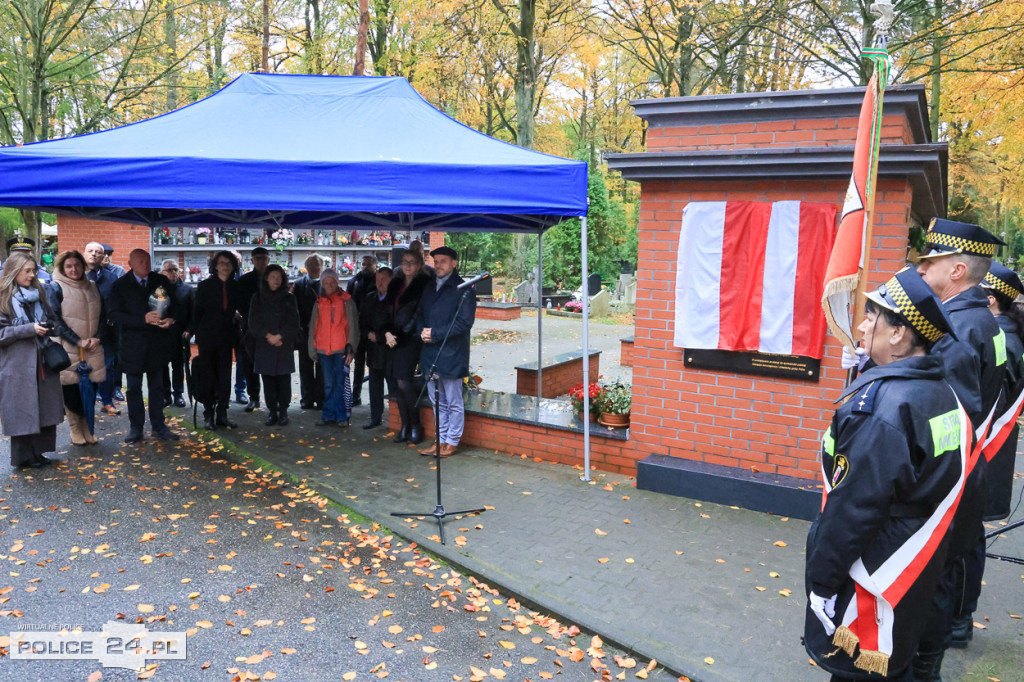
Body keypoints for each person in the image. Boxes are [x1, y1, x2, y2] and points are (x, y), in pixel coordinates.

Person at [805, 267, 967, 682]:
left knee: (861, 671)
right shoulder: (940, 391)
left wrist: (822, 582)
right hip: (914, 557)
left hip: (874, 569)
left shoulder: (883, 410)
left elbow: (854, 509)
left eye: (871, 316)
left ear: (897, 334)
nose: (861, 325)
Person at [911, 218, 1007, 678]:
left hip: (946, 472)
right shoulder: (982, 320)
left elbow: (941, 413)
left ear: (957, 270)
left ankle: (924, 664)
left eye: (930, 262)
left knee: (933, 577)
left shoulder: (956, 327)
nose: (921, 269)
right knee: (948, 568)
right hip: (970, 463)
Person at [108, 249, 183, 443]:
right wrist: (143, 319)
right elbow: (115, 315)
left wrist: (171, 319)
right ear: (130, 264)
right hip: (132, 345)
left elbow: (176, 305)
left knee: (157, 387)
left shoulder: (161, 281)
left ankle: (159, 426)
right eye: (140, 262)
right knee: (134, 388)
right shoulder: (120, 285)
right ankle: (136, 427)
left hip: (157, 344)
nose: (145, 265)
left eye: (147, 261)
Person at [0, 252, 65, 468]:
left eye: (33, 270)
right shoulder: (3, 298)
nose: (32, 275)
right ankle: (23, 457)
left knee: (44, 409)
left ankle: (38, 453)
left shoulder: (39, 294)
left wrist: (51, 326)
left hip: (43, 361)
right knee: (22, 410)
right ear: (13, 272)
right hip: (17, 365)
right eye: (27, 271)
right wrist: (29, 329)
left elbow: (53, 318)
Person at [416, 246, 475, 457]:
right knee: (437, 402)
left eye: (443, 261)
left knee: (453, 401)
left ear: (454, 263)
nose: (438, 265)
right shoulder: (429, 287)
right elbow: (419, 313)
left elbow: (464, 323)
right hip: (430, 353)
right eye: (436, 261)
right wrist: (422, 331)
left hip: (452, 354)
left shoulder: (464, 289)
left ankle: (452, 441)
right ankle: (439, 440)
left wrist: (435, 334)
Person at [979, 262, 1024, 522]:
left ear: (990, 300)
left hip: (987, 447)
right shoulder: (1010, 333)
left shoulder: (1002, 340)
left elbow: (991, 404)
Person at [47, 250, 105, 446]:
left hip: (92, 349)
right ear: (62, 268)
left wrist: (98, 337)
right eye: (69, 266)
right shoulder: (55, 287)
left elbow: (103, 316)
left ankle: (88, 426)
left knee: (90, 389)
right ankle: (75, 429)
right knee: (71, 391)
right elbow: (55, 320)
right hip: (68, 348)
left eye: (77, 265)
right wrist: (77, 341)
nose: (74, 269)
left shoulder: (93, 286)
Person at [191, 251, 244, 431]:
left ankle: (222, 414)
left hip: (227, 336)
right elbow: (197, 312)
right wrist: (190, 331)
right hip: (207, 336)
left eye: (229, 263)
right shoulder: (205, 286)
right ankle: (208, 414)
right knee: (208, 375)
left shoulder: (236, 287)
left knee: (224, 376)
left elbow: (242, 308)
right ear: (215, 266)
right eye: (221, 263)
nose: (225, 266)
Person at [383, 249, 431, 444]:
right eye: (405, 262)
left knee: (404, 382)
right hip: (392, 339)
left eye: (412, 262)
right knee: (397, 384)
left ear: (419, 264)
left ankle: (415, 426)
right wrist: (387, 332)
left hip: (410, 339)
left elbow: (419, 314)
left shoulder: (424, 284)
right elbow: (387, 311)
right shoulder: (396, 283)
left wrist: (400, 335)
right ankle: (405, 426)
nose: (408, 265)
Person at [248, 264, 300, 426]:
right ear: (266, 279)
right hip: (265, 344)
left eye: (279, 277)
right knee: (268, 381)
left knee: (284, 380)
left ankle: (283, 411)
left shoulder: (289, 298)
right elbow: (253, 322)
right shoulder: (257, 298)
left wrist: (280, 336)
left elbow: (294, 322)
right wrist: (268, 336)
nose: (276, 280)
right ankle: (272, 412)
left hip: (283, 344)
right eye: (272, 277)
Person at [308, 269, 359, 426]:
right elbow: (313, 326)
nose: (329, 285)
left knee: (340, 384)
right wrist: (312, 349)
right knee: (329, 384)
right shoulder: (318, 302)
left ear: (337, 282)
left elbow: (353, 325)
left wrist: (351, 347)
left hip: (341, 349)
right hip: (324, 349)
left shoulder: (346, 301)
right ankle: (329, 415)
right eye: (326, 282)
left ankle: (342, 417)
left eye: (332, 282)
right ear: (322, 284)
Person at [83, 241, 122, 416]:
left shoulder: (111, 277)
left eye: (98, 252)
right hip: (83, 332)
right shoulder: (76, 275)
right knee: (85, 369)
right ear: (84, 254)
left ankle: (106, 401)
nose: (94, 254)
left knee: (107, 367)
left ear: (103, 256)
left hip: (107, 332)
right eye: (90, 251)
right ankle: (86, 405)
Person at [361, 266, 394, 429]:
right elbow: (362, 321)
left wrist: (380, 337)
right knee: (375, 386)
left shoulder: (396, 299)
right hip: (374, 351)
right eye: (377, 280)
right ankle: (375, 417)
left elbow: (398, 325)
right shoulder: (370, 298)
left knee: (394, 387)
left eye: (383, 280)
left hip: (391, 351)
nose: (380, 283)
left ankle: (398, 420)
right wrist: (368, 334)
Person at [237, 246, 270, 412]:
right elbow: (241, 304)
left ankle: (272, 399)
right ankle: (254, 397)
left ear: (268, 260)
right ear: (252, 261)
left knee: (270, 364)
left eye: (263, 258)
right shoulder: (244, 280)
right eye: (257, 259)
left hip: (271, 328)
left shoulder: (275, 277)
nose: (261, 262)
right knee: (249, 364)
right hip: (250, 328)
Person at [159, 259, 194, 408]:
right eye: (169, 270)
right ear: (162, 272)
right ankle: (165, 394)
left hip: (180, 334)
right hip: (162, 335)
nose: (173, 273)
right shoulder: (158, 289)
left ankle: (178, 394)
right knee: (162, 366)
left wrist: (189, 330)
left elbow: (193, 313)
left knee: (178, 365)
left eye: (175, 270)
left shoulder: (187, 289)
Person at [293, 253, 325, 409]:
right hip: (305, 332)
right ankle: (307, 398)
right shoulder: (299, 285)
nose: (314, 268)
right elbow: (295, 308)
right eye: (310, 265)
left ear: (322, 267)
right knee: (305, 367)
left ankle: (321, 398)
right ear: (306, 267)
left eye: (317, 265)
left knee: (322, 367)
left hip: (323, 333)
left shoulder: (327, 284)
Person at [347, 255, 378, 406]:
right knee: (358, 363)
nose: (365, 267)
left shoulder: (378, 281)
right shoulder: (355, 281)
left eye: (369, 264)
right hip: (358, 328)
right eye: (364, 264)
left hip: (373, 329)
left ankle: (374, 396)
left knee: (373, 364)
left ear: (375, 266)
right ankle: (356, 395)